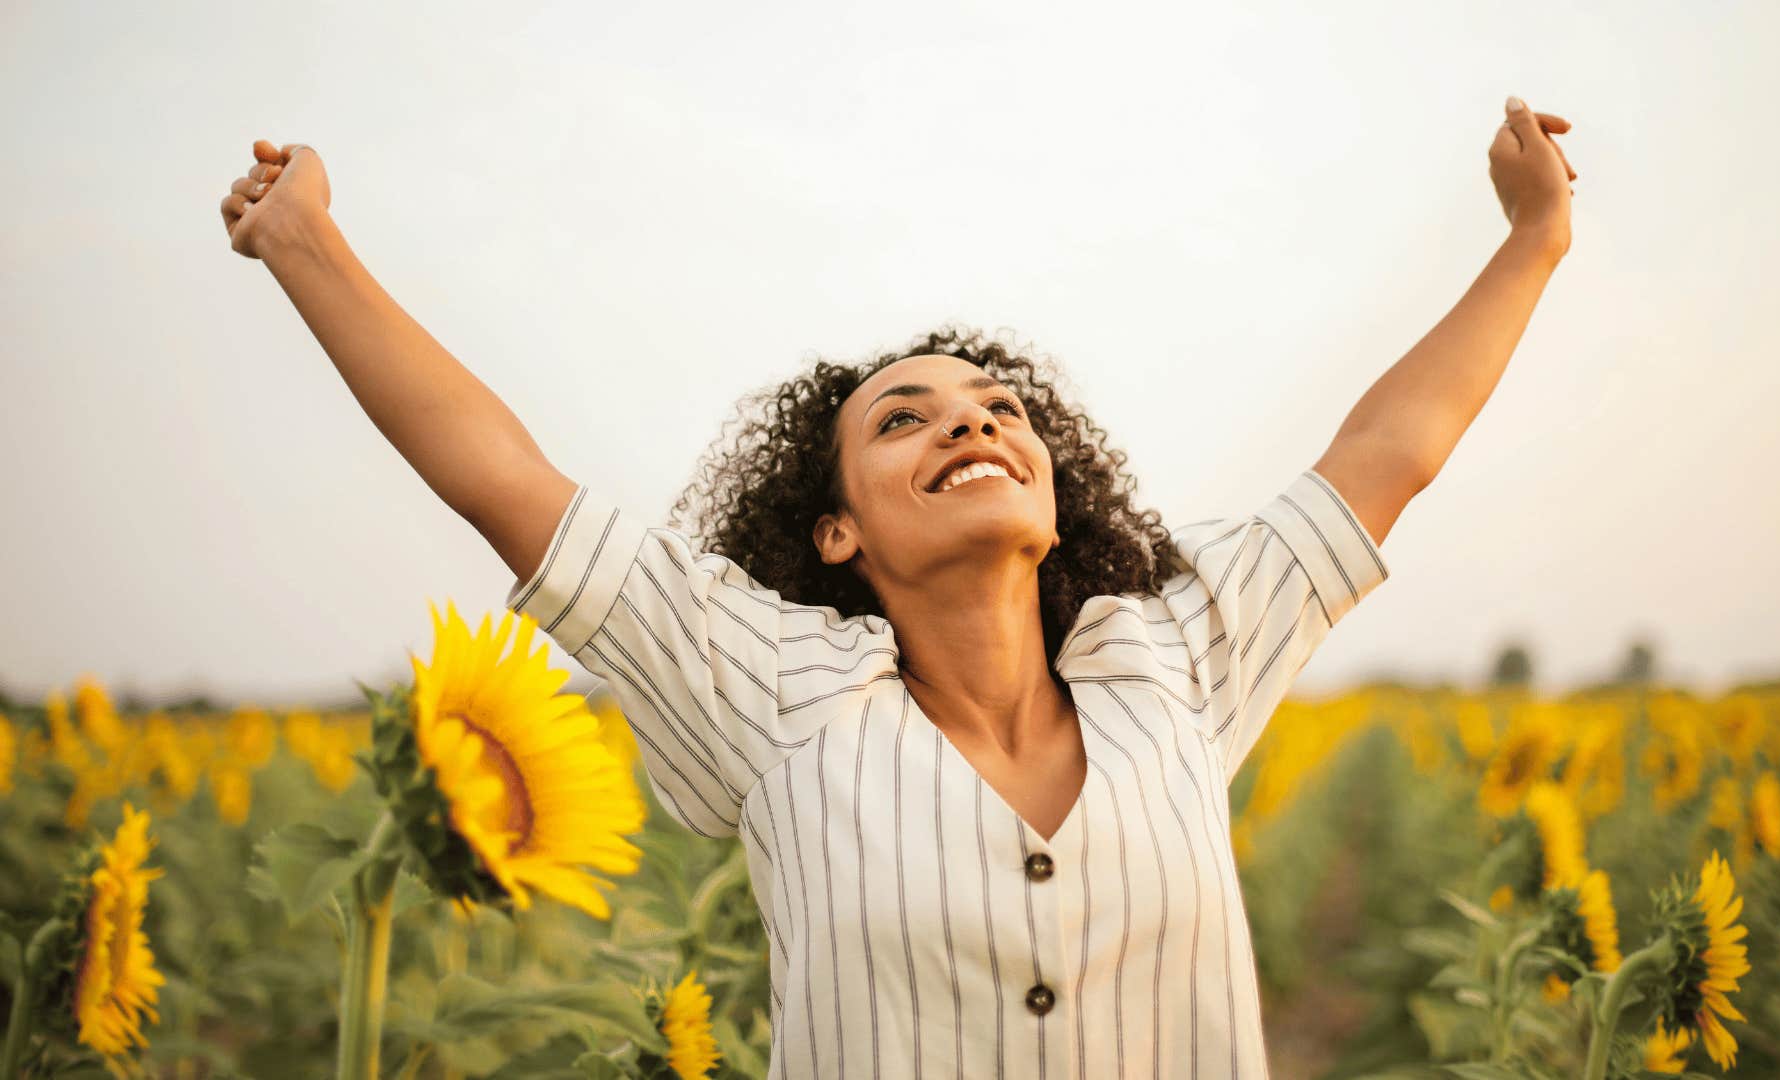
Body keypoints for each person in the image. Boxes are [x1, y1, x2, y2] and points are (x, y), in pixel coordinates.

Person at [221, 95, 1574, 1078]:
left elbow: (1388, 456)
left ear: (1056, 494)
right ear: (833, 535)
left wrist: (1533, 239)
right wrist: (307, 244)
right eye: (903, 421)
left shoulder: (1174, 656)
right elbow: (505, 483)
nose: (972, 426)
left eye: (999, 411)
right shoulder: (774, 697)